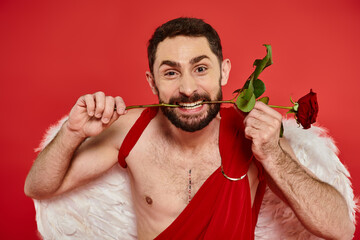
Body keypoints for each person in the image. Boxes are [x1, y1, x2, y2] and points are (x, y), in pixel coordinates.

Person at [24, 17, 355, 239]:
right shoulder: (129, 130)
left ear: (223, 72)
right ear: (151, 82)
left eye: (200, 68)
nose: (187, 88)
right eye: (170, 73)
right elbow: (38, 187)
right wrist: (71, 132)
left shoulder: (255, 135)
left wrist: (274, 157)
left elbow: (340, 228)